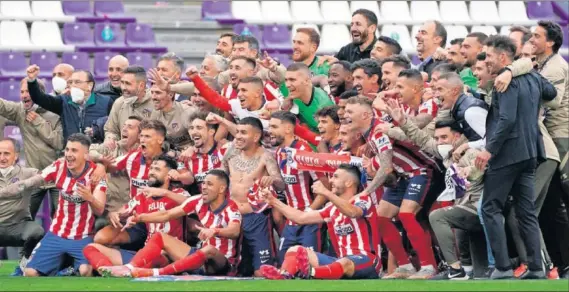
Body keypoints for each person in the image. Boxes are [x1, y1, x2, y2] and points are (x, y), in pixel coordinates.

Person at [479, 35, 557, 280]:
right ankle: (536, 267)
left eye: (489, 56)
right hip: (531, 152)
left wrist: (489, 149)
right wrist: (521, 68)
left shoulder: (504, 82)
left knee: (490, 207)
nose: (486, 60)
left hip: (508, 154)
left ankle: (502, 267)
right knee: (526, 212)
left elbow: (507, 119)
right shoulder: (532, 77)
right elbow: (551, 91)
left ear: (503, 57)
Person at [345, 96, 441, 279]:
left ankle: (429, 267)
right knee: (381, 217)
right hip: (402, 177)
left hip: (421, 171)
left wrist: (365, 192)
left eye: (350, 112)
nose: (345, 115)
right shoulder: (369, 132)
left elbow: (386, 167)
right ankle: (405, 266)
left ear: (365, 114)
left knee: (406, 214)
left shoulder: (379, 130)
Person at [392, 103, 484, 279]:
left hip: (479, 206)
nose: (440, 142)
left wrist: (470, 171)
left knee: (438, 216)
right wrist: (403, 121)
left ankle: (455, 269)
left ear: (457, 137)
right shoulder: (447, 152)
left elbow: (481, 166)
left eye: (444, 137)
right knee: (450, 218)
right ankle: (465, 268)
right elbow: (422, 139)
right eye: (438, 138)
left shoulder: (470, 151)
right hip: (466, 205)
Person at [98, 169, 241, 278]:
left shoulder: (231, 207)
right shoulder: (197, 201)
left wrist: (215, 231)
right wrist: (140, 218)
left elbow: (234, 231)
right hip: (200, 262)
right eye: (203, 183)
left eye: (209, 184)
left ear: (222, 189)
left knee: (209, 249)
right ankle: (129, 268)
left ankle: (152, 272)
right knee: (160, 236)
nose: (203, 187)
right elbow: (166, 214)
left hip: (222, 264)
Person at [0, 133, 108, 277]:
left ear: (86, 155)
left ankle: (70, 268)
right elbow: (29, 183)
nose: (68, 154)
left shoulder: (96, 175)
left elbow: (100, 209)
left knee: (85, 271)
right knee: (30, 273)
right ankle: (64, 266)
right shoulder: (58, 166)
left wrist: (90, 198)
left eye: (74, 151)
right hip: (56, 234)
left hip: (82, 236)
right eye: (67, 150)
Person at [259, 164, 381, 280]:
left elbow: (353, 212)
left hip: (367, 260)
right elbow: (300, 218)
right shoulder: (331, 208)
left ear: (349, 182)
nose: (331, 180)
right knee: (294, 250)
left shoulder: (363, 199)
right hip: (339, 262)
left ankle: (310, 273)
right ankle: (284, 275)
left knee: (345, 263)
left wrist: (326, 192)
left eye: (336, 177)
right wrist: (273, 201)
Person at [83, 154, 189, 273]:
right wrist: (114, 215)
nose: (152, 172)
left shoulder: (178, 193)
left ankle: (130, 269)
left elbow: (193, 204)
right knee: (90, 248)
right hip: (144, 255)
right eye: (151, 169)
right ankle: (111, 273)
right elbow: (122, 211)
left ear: (169, 175)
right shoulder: (142, 195)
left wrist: (164, 192)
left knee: (157, 257)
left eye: (157, 169)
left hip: (167, 256)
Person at [529, 20, 569, 279]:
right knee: (553, 203)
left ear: (550, 42)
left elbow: (552, 100)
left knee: (562, 200)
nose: (531, 39)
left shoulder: (556, 67)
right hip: (549, 138)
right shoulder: (542, 64)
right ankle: (561, 262)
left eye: (536, 36)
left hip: (561, 137)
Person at [221, 117, 285, 277]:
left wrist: (272, 180)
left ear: (256, 137)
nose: (238, 136)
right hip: (232, 217)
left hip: (256, 218)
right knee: (233, 270)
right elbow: (220, 177)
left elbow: (281, 184)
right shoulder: (230, 153)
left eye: (243, 132)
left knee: (262, 271)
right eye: (237, 132)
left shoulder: (266, 156)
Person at [268, 111, 327, 264]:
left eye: (274, 126)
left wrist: (308, 213)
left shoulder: (304, 152)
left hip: (310, 220)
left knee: (310, 266)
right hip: (291, 220)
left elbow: (325, 188)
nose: (269, 131)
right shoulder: (280, 151)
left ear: (288, 129)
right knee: (284, 263)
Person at [0, 78, 63, 219]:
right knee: (23, 219)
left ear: (38, 93)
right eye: (21, 91)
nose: (23, 95)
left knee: (61, 220)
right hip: (33, 176)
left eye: (27, 91)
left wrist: (38, 122)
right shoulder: (20, 110)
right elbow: (2, 106)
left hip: (57, 177)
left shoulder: (56, 111)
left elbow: (59, 143)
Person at [26, 65, 112, 142]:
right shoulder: (64, 101)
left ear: (89, 85)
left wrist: (97, 130)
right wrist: (32, 81)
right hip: (72, 153)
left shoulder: (106, 102)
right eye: (71, 82)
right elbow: (40, 99)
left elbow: (114, 128)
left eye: (77, 82)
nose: (73, 85)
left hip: (97, 155)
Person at [0, 138, 45, 275]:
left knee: (37, 231)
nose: (2, 158)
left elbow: (45, 176)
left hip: (18, 226)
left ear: (16, 155)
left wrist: (23, 184)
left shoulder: (26, 172)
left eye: (6, 153)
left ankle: (23, 264)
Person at [89, 116, 142, 230]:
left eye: (130, 127)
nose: (124, 129)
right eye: (124, 126)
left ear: (139, 135)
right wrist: (101, 161)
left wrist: (104, 166)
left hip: (131, 209)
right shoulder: (112, 146)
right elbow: (88, 152)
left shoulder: (143, 153)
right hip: (108, 208)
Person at [174, 112, 227, 195]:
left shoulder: (225, 149)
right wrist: (178, 176)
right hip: (203, 201)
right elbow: (188, 180)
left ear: (211, 132)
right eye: (191, 128)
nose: (194, 132)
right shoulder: (184, 157)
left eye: (199, 128)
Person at [103, 66, 153, 150]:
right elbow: (111, 130)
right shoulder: (119, 102)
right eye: (122, 83)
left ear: (141, 85)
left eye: (128, 83)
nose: (123, 88)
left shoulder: (155, 102)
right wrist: (110, 138)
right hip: (122, 155)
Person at [147, 79, 196, 152]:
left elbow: (203, 140)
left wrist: (192, 149)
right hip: (171, 155)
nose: (153, 97)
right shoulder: (155, 113)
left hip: (193, 155)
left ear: (171, 94)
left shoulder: (187, 112)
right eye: (152, 92)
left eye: (158, 93)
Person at [283, 63, 334, 133]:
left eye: (292, 80)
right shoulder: (295, 92)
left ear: (307, 81)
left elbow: (331, 138)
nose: (287, 85)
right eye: (286, 80)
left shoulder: (323, 106)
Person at [218, 35, 286, 87]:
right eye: (234, 50)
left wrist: (274, 68)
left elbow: (283, 77)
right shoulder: (225, 76)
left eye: (241, 50)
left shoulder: (264, 71)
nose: (236, 53)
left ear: (253, 52)